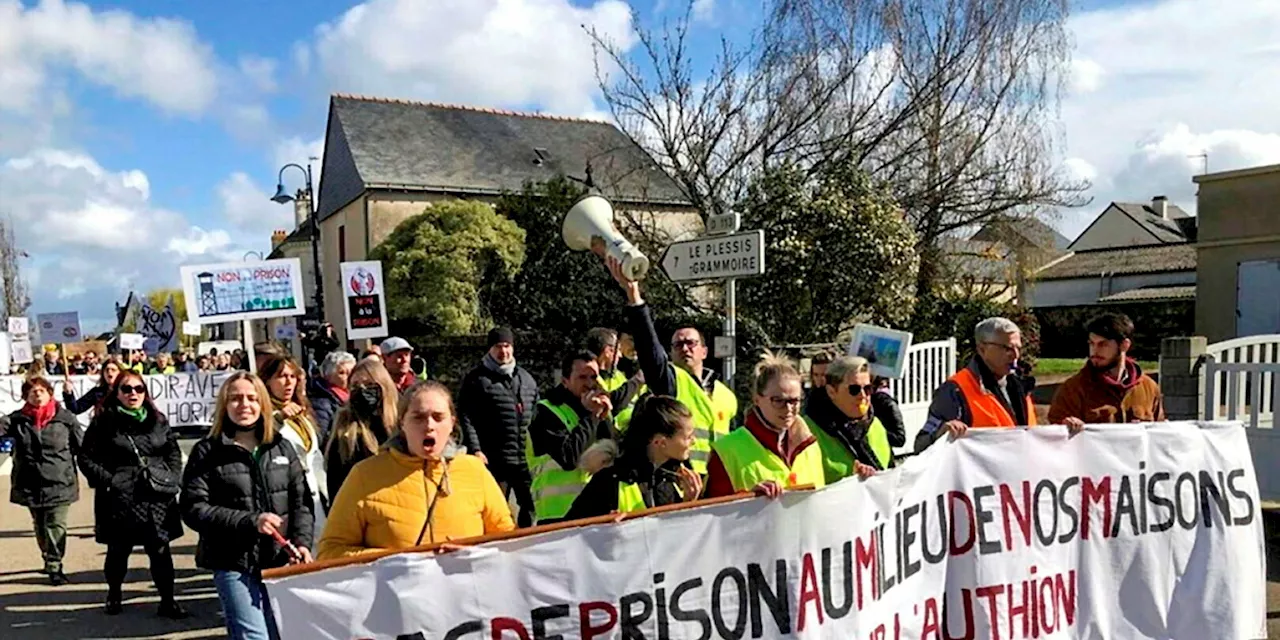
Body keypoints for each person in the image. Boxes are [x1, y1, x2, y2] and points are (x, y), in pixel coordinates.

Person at [181, 372, 314, 640]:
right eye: (236, 398)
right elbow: (193, 509)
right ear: (224, 405)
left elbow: (302, 503)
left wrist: (301, 543)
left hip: (280, 562)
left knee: (281, 634)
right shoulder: (207, 451)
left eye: (252, 398)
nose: (244, 405)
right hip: (232, 562)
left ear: (263, 404)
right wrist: (251, 521)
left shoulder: (282, 447)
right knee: (253, 636)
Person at [318, 381, 514, 559]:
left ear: (452, 423)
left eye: (438, 417)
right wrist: (396, 561)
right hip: (396, 595)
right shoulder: (365, 475)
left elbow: (510, 542)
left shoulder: (474, 471)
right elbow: (330, 551)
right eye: (418, 418)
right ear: (402, 422)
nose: (429, 426)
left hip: (462, 594)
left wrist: (471, 555)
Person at [605, 257, 738, 475]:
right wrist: (635, 299)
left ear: (704, 351)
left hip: (719, 483)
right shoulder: (673, 380)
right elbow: (650, 352)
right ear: (671, 352)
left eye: (691, 343)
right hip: (680, 479)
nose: (685, 348)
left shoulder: (727, 395)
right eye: (678, 344)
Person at [77, 370, 186, 618]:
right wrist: (110, 480)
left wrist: (173, 477)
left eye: (138, 388)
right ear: (116, 393)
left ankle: (168, 600)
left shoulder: (158, 420)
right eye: (126, 389)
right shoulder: (103, 422)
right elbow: (85, 457)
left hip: (156, 495)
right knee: (118, 550)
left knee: (160, 550)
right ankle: (114, 593)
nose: (133, 394)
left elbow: (172, 451)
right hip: (119, 498)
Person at [526, 351, 637, 524]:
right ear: (565, 381)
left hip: (597, 510)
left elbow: (614, 456)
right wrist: (591, 415)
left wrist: (604, 418)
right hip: (558, 514)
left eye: (594, 377)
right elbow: (569, 457)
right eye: (582, 378)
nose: (590, 384)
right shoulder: (546, 412)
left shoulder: (597, 410)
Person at [704, 353, 826, 499]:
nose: (788, 409)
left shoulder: (810, 446)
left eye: (795, 401)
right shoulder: (726, 450)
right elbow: (713, 514)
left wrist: (858, 479)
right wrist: (748, 498)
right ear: (757, 399)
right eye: (778, 401)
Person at [564, 395, 703, 520]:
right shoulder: (609, 482)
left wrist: (688, 504)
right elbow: (570, 534)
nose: (694, 441)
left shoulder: (672, 481)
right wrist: (604, 531)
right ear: (660, 442)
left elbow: (675, 539)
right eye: (688, 437)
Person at [455, 327, 539, 527]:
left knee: (530, 507)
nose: (504, 351)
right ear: (489, 350)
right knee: (495, 509)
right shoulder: (476, 380)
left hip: (524, 458)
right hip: (494, 459)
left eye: (507, 346)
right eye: (498, 347)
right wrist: (475, 449)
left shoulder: (526, 379)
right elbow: (466, 417)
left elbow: (537, 412)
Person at [1, 377, 82, 584]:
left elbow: (82, 447)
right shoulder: (17, 420)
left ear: (49, 393)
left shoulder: (66, 418)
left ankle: (55, 565)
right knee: (40, 524)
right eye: (32, 392)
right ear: (25, 396)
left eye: (41, 391)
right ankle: (48, 556)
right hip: (29, 482)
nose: (37, 394)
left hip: (60, 481)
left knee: (56, 524)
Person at [915, 317, 1037, 452]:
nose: (1015, 355)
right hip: (980, 473)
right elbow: (921, 445)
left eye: (1018, 348)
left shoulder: (1020, 386)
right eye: (1007, 348)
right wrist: (941, 434)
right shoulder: (954, 390)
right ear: (982, 349)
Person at [1049, 312, 1165, 429]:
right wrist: (1066, 426)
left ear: (1124, 345)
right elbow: (1054, 439)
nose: (1094, 351)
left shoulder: (1149, 388)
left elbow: (1158, 435)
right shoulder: (1073, 390)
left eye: (1103, 344)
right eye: (1091, 343)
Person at [260, 355, 329, 537]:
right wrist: (278, 418)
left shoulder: (301, 411)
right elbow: (260, 437)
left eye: (293, 376)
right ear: (267, 381)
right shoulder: (263, 414)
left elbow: (314, 456)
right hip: (284, 495)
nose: (289, 382)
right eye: (281, 376)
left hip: (313, 493)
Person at [324, 358, 399, 499]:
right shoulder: (345, 434)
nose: (362, 390)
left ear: (383, 386)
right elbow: (337, 489)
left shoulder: (402, 425)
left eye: (369, 384)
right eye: (355, 386)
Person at [804, 355, 885, 482]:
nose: (863, 396)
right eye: (854, 389)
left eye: (868, 389)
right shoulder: (806, 431)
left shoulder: (876, 424)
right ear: (831, 392)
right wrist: (852, 481)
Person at [309, 350, 355, 444]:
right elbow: (320, 437)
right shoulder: (321, 402)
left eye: (352, 372)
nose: (349, 377)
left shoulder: (354, 395)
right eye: (342, 373)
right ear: (328, 376)